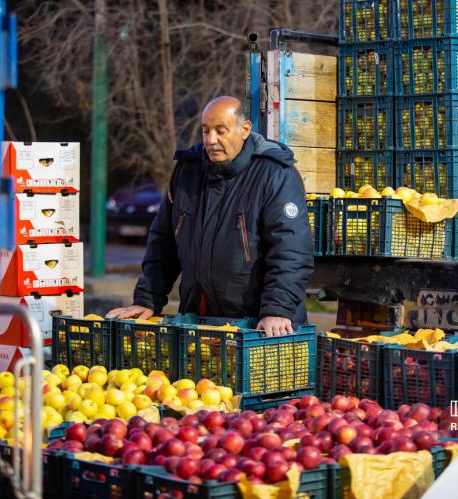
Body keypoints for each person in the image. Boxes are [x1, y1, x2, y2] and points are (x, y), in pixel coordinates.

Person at [106, 96, 313, 336]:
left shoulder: (275, 175)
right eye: (205, 131)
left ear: (244, 130)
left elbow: (291, 251)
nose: (211, 140)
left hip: (261, 327)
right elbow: (163, 242)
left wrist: (277, 309)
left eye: (220, 131)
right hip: (200, 322)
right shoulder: (187, 171)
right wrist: (147, 299)